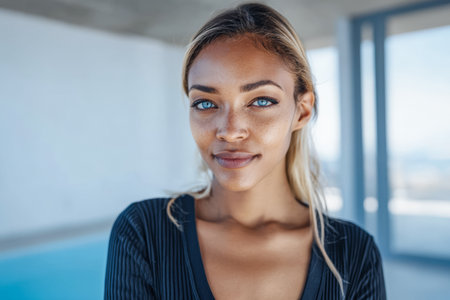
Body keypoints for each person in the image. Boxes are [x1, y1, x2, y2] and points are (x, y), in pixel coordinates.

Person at [104, 3, 386, 299]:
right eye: (205, 103)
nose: (229, 130)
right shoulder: (144, 232)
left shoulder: (354, 252)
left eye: (261, 101)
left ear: (302, 111)